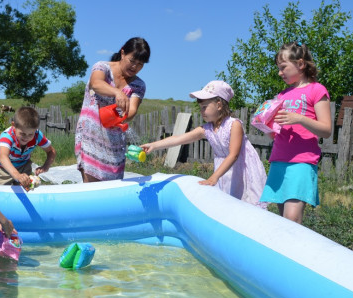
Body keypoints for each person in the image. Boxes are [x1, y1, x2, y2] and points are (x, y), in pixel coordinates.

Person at [141, 81, 267, 208]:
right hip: (223, 171)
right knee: (227, 204)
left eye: (204, 107)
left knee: (245, 203)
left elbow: (233, 155)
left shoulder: (234, 125)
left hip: (240, 170)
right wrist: (154, 145)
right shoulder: (206, 129)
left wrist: (214, 177)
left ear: (219, 105)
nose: (201, 111)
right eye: (200, 108)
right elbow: (180, 138)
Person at [259, 42, 332, 224]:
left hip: (302, 161)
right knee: (283, 220)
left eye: (283, 67)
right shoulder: (282, 95)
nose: (279, 73)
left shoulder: (317, 90)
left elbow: (327, 130)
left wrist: (299, 118)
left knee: (292, 219)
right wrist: (266, 126)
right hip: (279, 159)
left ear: (300, 64)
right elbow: (277, 134)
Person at [75, 37, 150, 182]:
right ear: (123, 53)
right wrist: (117, 92)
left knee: (112, 188)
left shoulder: (139, 85)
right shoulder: (102, 67)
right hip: (90, 136)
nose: (135, 67)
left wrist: (125, 115)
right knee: (91, 189)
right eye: (132, 61)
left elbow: (132, 111)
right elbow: (96, 84)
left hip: (114, 144)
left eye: (140, 64)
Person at [0, 106, 56, 189]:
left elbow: (51, 151)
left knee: (27, 188)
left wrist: (46, 166)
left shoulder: (37, 135)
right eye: (22, 134)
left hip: (23, 165)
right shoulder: (7, 137)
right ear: (13, 125)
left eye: (30, 134)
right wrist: (17, 175)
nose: (26, 138)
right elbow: (3, 157)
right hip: (2, 168)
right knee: (1, 193)